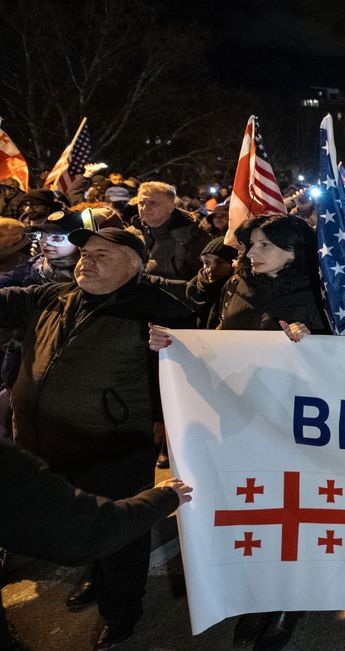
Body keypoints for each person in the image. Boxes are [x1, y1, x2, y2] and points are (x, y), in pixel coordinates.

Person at [0, 227, 198, 650]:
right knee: (82, 522)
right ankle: (94, 575)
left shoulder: (159, 311)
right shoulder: (51, 297)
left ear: (134, 264)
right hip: (43, 444)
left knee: (121, 538)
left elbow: (195, 369)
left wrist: (174, 345)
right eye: (84, 253)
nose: (86, 261)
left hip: (114, 449)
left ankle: (121, 611)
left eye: (102, 254)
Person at [152, 214, 327, 651]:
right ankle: (256, 595)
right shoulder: (235, 286)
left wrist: (314, 340)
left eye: (265, 246)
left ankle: (289, 601)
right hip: (237, 423)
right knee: (251, 510)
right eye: (252, 245)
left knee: (292, 513)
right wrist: (176, 345)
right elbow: (215, 339)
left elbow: (339, 363)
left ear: (294, 251)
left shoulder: (320, 294)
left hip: (293, 429)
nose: (251, 254)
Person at [0, 438, 193, 651]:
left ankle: (121, 613)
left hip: (118, 441)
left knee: (121, 543)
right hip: (53, 448)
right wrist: (162, 499)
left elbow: (85, 529)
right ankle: (101, 586)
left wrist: (159, 499)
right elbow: (82, 532)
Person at [132, 181, 211, 280]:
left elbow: (199, 283)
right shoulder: (131, 233)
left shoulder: (193, 237)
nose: (145, 208)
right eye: (141, 202)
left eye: (153, 203)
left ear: (171, 207)